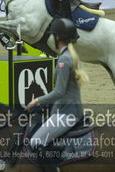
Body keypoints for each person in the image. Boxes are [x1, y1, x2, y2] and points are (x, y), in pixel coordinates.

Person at [26, 18, 89, 171]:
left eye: (53, 35)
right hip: (66, 110)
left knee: (36, 142)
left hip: (66, 114)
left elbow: (59, 91)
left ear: (58, 37)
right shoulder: (71, 56)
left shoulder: (64, 60)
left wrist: (37, 101)